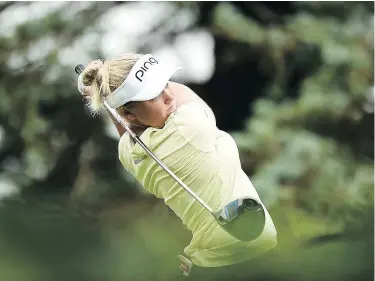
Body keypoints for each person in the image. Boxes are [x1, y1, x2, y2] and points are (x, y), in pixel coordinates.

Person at [77, 52, 279, 277]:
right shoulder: (188, 127)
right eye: (154, 94)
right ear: (127, 113)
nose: (168, 95)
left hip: (208, 267)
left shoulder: (129, 154)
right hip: (248, 263)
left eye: (165, 84)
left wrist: (106, 95)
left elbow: (126, 125)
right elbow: (180, 93)